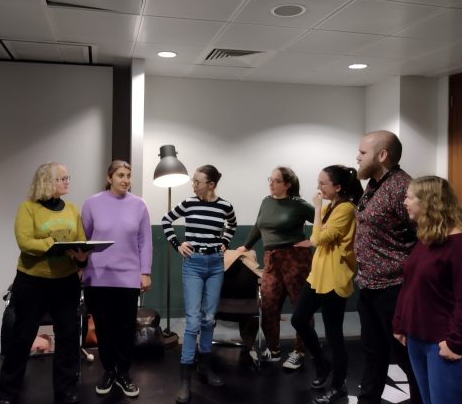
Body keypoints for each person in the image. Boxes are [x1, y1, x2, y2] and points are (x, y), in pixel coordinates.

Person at [0, 162, 88, 404]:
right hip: (32, 282)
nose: (68, 181)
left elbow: (80, 239)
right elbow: (25, 242)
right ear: (47, 182)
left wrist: (81, 255)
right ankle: (7, 393)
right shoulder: (28, 209)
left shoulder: (71, 209)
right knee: (22, 338)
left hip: (65, 282)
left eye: (68, 177)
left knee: (68, 338)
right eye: (62, 178)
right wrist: (54, 246)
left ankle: (66, 391)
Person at [393, 176, 462, 404]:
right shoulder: (427, 238)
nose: (405, 202)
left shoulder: (461, 244)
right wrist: (401, 322)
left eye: (409, 197)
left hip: (446, 342)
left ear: (428, 202)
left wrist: (455, 341)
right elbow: (410, 283)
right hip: (418, 337)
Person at [354, 130, 422, 404]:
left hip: (395, 289)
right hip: (370, 285)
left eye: (362, 152)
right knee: (373, 352)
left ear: (382, 155)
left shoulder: (403, 188)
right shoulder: (374, 184)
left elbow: (423, 235)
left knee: (406, 357)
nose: (357, 157)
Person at [161, 165, 237, 404]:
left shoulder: (225, 206)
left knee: (209, 318)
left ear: (211, 184)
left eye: (197, 181)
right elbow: (166, 220)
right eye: (193, 181)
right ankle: (185, 379)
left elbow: (232, 225)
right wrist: (178, 244)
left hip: (215, 264)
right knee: (193, 322)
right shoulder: (189, 203)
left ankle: (204, 367)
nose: (193, 185)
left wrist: (224, 242)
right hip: (193, 264)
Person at [291, 165, 363, 404]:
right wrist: (322, 210)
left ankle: (338, 385)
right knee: (298, 319)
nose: (318, 188)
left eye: (323, 183)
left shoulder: (345, 209)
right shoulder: (334, 206)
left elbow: (318, 238)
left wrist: (317, 207)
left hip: (334, 279)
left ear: (338, 187)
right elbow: (316, 239)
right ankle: (323, 364)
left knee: (334, 336)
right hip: (317, 276)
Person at [81, 160, 152, 398]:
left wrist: (145, 272)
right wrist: (81, 268)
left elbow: (145, 242)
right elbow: (85, 239)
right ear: (110, 177)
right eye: (121, 175)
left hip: (128, 278)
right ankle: (108, 370)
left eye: (129, 175)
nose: (126, 180)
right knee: (104, 327)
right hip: (98, 276)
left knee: (125, 328)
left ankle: (123, 373)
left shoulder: (139, 205)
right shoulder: (92, 204)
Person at [237, 166, 314, 369]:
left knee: (300, 306)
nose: (271, 183)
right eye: (269, 179)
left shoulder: (299, 205)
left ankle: (299, 351)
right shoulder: (266, 201)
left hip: (295, 258)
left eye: (276, 180)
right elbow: (257, 225)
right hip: (271, 258)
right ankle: (274, 348)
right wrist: (245, 246)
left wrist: (313, 241)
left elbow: (325, 222)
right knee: (268, 303)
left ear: (287, 184)